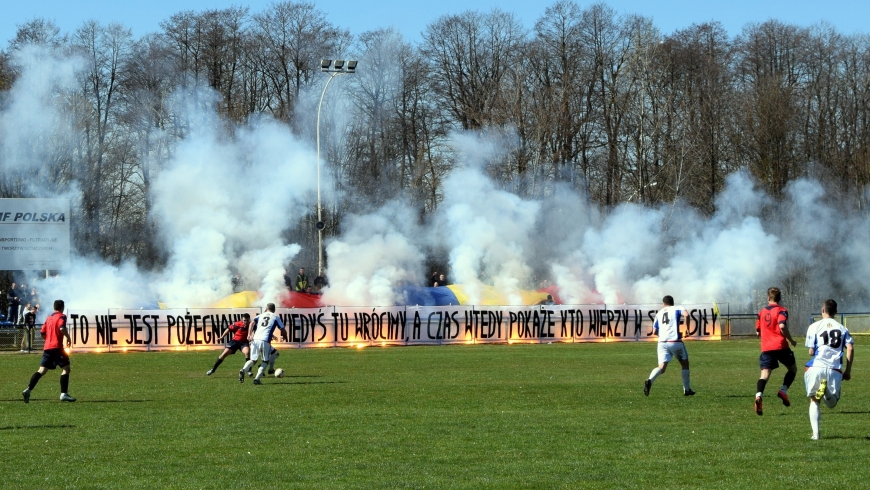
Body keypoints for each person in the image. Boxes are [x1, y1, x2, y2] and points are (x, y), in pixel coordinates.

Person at [804, 299, 853, 440]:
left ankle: (816, 435)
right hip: (834, 368)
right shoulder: (843, 328)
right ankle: (825, 391)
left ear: (823, 310)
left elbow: (811, 352)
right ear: (835, 312)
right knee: (831, 404)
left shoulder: (814, 326)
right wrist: (848, 371)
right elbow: (850, 347)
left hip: (815, 366)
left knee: (814, 400)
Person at [753, 287, 798, 416]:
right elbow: (782, 326)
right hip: (781, 346)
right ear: (779, 298)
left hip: (767, 348)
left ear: (768, 298)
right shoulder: (782, 310)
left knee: (764, 375)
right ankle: (783, 390)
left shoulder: (761, 312)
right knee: (792, 369)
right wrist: (791, 340)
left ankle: (758, 395)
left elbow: (757, 331)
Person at [22, 299, 76, 403]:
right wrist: (68, 337)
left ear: (54, 307)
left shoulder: (49, 318)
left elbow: (42, 333)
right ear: (62, 308)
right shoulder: (61, 316)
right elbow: (61, 328)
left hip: (47, 348)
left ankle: (28, 390)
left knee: (41, 371)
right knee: (66, 369)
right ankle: (63, 394)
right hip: (57, 347)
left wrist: (49, 340)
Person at [643, 295, 695, 397]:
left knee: (661, 367)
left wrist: (663, 336)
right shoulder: (678, 308)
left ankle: (650, 380)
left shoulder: (659, 313)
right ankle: (687, 389)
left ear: (663, 303)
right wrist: (687, 330)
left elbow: (654, 331)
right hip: (675, 341)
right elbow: (687, 315)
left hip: (662, 343)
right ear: (672, 302)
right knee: (685, 364)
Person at [241, 303, 286, 385]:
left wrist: (249, 334)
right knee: (265, 361)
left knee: (253, 360)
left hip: (255, 340)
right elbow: (283, 330)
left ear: (266, 308)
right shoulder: (275, 317)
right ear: (274, 309)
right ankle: (257, 379)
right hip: (265, 341)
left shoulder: (260, 315)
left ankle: (243, 370)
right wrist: (284, 337)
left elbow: (251, 323)